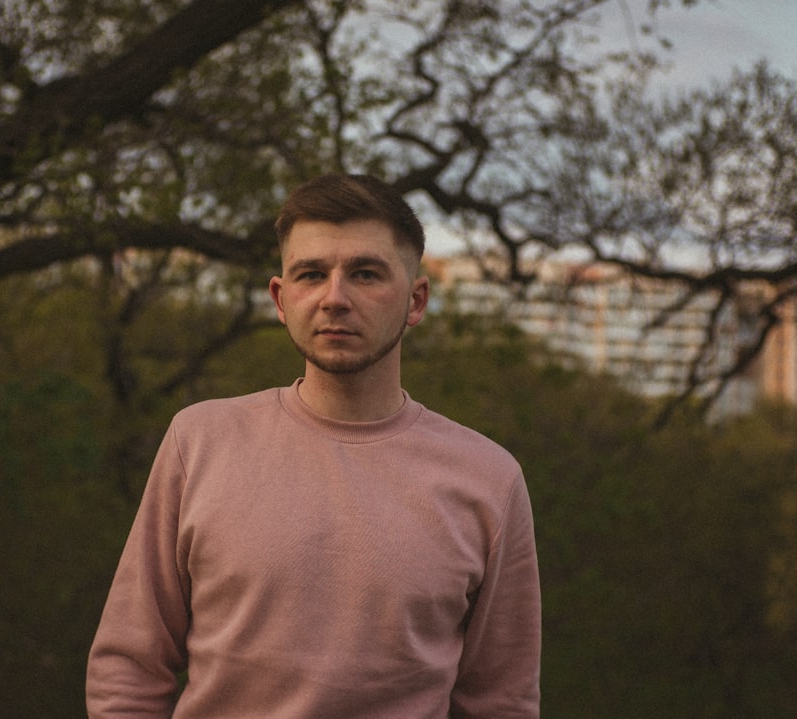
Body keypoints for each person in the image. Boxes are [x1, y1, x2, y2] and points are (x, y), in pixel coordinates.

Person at [86, 173, 541, 718]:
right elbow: (128, 668)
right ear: (281, 298)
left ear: (416, 300)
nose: (335, 298)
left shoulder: (489, 479)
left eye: (366, 274)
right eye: (311, 274)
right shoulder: (199, 442)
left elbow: (501, 701)